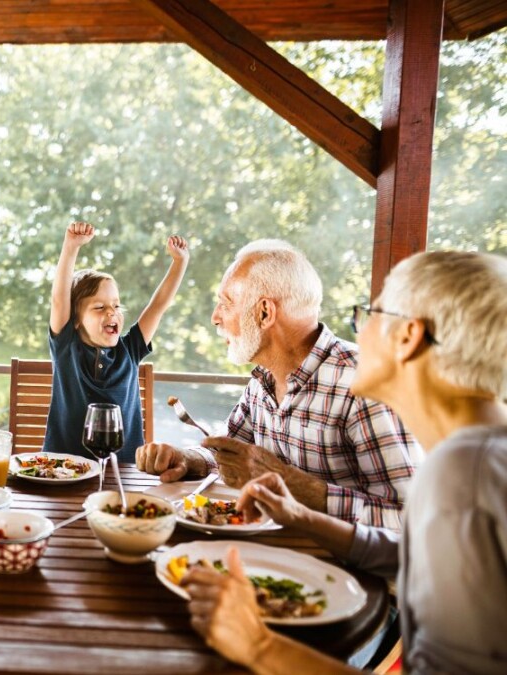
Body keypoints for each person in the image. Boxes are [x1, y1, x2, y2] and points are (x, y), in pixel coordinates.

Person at [183, 250, 507, 674]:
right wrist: (301, 516)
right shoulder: (477, 455)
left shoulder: (465, 471)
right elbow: (412, 551)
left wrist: (259, 646)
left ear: (408, 336)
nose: (356, 332)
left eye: (368, 315)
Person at [136, 240, 419, 530]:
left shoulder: (368, 382)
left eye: (226, 303)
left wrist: (293, 486)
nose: (215, 317)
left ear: (264, 313)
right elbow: (233, 452)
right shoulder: (263, 378)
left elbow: (410, 518)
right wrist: (188, 460)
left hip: (339, 570)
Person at [45, 221, 189, 462]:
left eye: (116, 305)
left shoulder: (130, 349)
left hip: (125, 470)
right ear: (75, 320)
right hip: (63, 469)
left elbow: (158, 305)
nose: (111, 312)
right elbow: (59, 300)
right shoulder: (66, 347)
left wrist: (180, 262)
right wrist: (71, 247)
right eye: (100, 307)